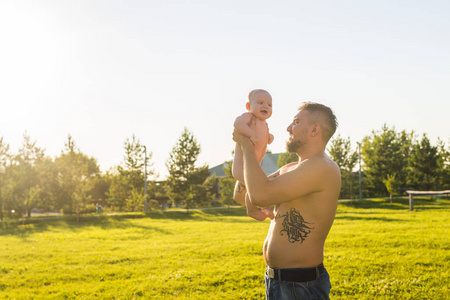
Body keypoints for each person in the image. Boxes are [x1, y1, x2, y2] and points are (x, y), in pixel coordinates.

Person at [233, 102, 341, 300]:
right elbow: (241, 195)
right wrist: (248, 148)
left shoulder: (322, 167)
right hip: (276, 280)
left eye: (296, 122)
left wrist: (247, 147)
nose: (288, 128)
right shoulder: (290, 168)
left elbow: (260, 195)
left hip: (301, 285)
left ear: (314, 129)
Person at [232, 89, 274, 220]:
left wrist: (269, 137)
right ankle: (253, 210)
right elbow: (237, 123)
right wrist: (251, 134)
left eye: (269, 104)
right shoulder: (249, 117)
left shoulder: (264, 124)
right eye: (260, 102)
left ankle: (264, 208)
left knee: (257, 186)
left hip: (254, 167)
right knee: (258, 186)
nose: (265, 106)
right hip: (241, 167)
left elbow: (261, 138)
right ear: (248, 106)